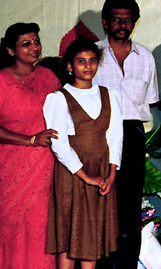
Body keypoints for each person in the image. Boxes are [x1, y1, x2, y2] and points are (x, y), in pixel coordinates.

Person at [0, 22, 61, 269]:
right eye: (26, 44)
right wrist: (30, 140)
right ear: (10, 50)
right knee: (11, 226)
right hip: (11, 165)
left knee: (40, 226)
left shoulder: (48, 77)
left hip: (43, 165)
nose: (34, 48)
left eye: (36, 41)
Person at [44, 38, 123, 269]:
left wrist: (111, 173)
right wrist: (86, 176)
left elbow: (115, 137)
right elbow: (59, 145)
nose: (87, 66)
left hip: (101, 172)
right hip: (73, 173)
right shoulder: (58, 98)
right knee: (70, 236)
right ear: (70, 66)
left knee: (92, 237)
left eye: (92, 61)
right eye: (81, 61)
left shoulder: (110, 95)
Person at [94, 0, 159, 268]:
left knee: (130, 206)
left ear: (135, 22)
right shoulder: (91, 54)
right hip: (98, 134)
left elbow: (149, 101)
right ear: (105, 22)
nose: (122, 24)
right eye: (116, 19)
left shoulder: (145, 57)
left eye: (128, 19)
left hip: (132, 134)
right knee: (100, 202)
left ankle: (128, 264)